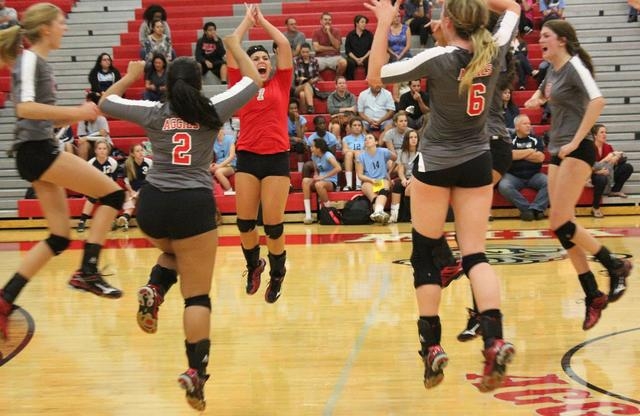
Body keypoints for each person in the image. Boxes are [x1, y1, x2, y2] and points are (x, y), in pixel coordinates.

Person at [98, 27, 262, 409]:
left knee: (174, 252)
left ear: (168, 85)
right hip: (193, 205)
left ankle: (155, 288)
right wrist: (235, 47)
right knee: (198, 295)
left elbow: (105, 103)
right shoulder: (213, 109)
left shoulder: (155, 112)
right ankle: (194, 372)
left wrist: (132, 76)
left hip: (152, 206)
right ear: (199, 82)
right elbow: (254, 80)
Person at [366, 0, 520, 391]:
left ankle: (432, 347)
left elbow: (374, 77)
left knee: (424, 254)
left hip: (435, 164)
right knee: (476, 256)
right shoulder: (495, 47)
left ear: (448, 22)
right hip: (476, 160)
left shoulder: (437, 58)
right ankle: (494, 339)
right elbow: (515, 7)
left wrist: (384, 22)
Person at [0, 3, 125, 340]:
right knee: (114, 194)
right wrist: (77, 109)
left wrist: (79, 115)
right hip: (38, 151)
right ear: (44, 29)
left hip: (37, 150)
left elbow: (44, 117)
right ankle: (87, 271)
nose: (65, 28)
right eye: (60, 23)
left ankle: (4, 300)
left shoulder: (39, 63)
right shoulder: (29, 60)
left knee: (59, 237)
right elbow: (25, 109)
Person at [524, 19, 632, 331]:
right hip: (559, 150)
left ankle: (614, 265)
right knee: (559, 226)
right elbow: (547, 95)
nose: (540, 39)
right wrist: (537, 100)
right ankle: (592, 293)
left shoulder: (574, 66)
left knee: (561, 221)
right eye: (540, 35)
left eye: (546, 36)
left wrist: (576, 139)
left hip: (578, 148)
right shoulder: (553, 71)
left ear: (562, 41)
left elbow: (598, 101)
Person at [226, 5, 293, 304]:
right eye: (255, 59)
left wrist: (262, 20)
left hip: (277, 157)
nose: (262, 61)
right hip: (248, 157)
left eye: (265, 58)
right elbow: (232, 45)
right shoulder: (240, 84)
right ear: (247, 66)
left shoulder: (281, 81)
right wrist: (246, 20)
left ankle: (277, 274)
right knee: (244, 224)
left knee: (274, 227)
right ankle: (255, 266)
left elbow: (285, 45)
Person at [497, 114, 549, 221]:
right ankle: (527, 210)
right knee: (503, 186)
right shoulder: (509, 140)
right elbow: (510, 156)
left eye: (529, 123)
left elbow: (540, 158)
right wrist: (530, 151)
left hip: (534, 175)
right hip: (513, 175)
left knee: (550, 183)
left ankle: (536, 208)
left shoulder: (536, 139)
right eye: (525, 123)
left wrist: (519, 154)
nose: (529, 126)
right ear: (516, 127)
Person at [590, 123, 634, 217]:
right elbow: (588, 168)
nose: (604, 134)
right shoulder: (590, 148)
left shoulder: (608, 147)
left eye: (605, 132)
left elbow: (611, 165)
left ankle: (614, 190)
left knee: (627, 167)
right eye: (602, 132)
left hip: (608, 173)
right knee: (601, 178)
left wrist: (617, 158)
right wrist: (601, 167)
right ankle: (595, 207)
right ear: (595, 135)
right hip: (593, 175)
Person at [76, 139, 119, 232]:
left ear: (108, 150)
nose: (102, 150)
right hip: (94, 186)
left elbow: (114, 180)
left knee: (112, 197)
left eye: (104, 148)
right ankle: (82, 221)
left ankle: (111, 220)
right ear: (95, 151)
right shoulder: (91, 163)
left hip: (108, 187)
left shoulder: (113, 162)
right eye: (100, 148)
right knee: (92, 197)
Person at [357, 133, 396, 224]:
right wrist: (371, 180)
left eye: (370, 138)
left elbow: (397, 159)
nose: (367, 140)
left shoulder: (383, 151)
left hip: (381, 180)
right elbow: (360, 175)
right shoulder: (361, 156)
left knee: (384, 185)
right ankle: (379, 213)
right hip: (368, 181)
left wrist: (389, 172)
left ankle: (377, 212)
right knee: (374, 197)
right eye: (365, 139)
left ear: (376, 142)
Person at [302, 138, 342, 224]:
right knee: (305, 181)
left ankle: (329, 211)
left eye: (312, 147)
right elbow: (316, 169)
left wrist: (323, 177)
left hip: (331, 181)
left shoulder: (328, 155)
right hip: (320, 179)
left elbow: (338, 168)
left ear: (318, 148)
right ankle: (308, 215)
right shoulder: (314, 156)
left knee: (319, 185)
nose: (311, 148)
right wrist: (316, 175)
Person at [116, 143, 153, 230]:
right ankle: (125, 219)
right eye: (137, 151)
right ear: (132, 154)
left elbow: (151, 180)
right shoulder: (128, 164)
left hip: (146, 188)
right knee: (129, 196)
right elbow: (126, 181)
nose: (140, 153)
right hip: (133, 189)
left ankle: (125, 217)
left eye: (141, 150)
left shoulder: (149, 162)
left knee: (135, 197)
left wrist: (139, 192)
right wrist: (131, 191)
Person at [389, 129, 419, 223]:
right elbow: (400, 169)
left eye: (415, 137)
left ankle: (414, 215)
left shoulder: (421, 152)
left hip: (418, 177)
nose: (413, 139)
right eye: (411, 137)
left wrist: (411, 179)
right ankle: (394, 214)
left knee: (409, 188)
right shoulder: (402, 152)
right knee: (397, 185)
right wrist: (402, 179)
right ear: (407, 139)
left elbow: (419, 170)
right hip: (406, 177)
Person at [76, 91, 111, 160]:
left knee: (100, 145)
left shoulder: (101, 119)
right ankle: (83, 168)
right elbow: (81, 139)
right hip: (90, 145)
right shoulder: (82, 120)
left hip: (104, 144)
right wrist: (96, 134)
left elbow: (103, 138)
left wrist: (87, 138)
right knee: (83, 145)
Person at [311, 12, 347, 78]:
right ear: (321, 21)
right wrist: (332, 48)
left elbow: (337, 46)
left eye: (329, 20)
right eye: (325, 19)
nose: (328, 21)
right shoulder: (316, 32)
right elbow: (316, 48)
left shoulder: (336, 31)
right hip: (320, 57)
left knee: (343, 63)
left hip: (335, 57)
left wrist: (329, 32)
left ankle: (337, 78)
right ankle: (320, 82)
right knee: (311, 64)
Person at [293, 43, 321, 114]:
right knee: (306, 85)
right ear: (300, 52)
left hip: (312, 87)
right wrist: (302, 80)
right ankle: (311, 106)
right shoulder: (296, 61)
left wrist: (313, 81)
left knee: (302, 94)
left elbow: (317, 76)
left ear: (310, 51)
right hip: (298, 86)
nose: (305, 54)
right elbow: (296, 78)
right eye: (303, 52)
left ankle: (305, 114)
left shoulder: (314, 61)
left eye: (307, 52)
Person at [344, 15, 373, 80]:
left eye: (365, 22)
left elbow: (371, 49)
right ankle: (350, 81)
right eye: (362, 22)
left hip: (366, 57)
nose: (364, 24)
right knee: (349, 62)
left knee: (370, 61)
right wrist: (356, 59)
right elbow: (348, 50)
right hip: (353, 58)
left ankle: (368, 80)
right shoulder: (350, 35)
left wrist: (363, 58)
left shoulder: (369, 35)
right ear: (357, 23)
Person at [341, 116, 366, 191]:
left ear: (362, 127)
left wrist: (356, 152)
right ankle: (349, 184)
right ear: (351, 127)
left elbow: (367, 151)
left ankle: (358, 184)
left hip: (363, 159)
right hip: (350, 159)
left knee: (357, 154)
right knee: (349, 154)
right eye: (354, 125)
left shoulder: (366, 137)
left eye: (359, 125)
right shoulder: (346, 138)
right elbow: (344, 151)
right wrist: (355, 152)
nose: (357, 127)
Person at [211, 130, 237, 196]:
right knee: (206, 169)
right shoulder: (213, 141)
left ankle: (230, 191)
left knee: (218, 172)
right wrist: (212, 165)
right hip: (219, 164)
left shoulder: (230, 138)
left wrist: (219, 166)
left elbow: (232, 156)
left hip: (231, 165)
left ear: (222, 129)